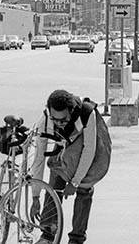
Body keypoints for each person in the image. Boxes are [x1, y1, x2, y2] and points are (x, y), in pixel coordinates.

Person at [30, 89, 111, 244]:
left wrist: (74, 182)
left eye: (63, 120)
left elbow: (89, 150)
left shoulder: (87, 114)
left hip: (89, 154)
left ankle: (76, 238)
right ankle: (48, 233)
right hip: (65, 149)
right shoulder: (46, 120)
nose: (59, 123)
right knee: (54, 185)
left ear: (71, 112)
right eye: (56, 120)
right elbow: (39, 157)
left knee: (84, 190)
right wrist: (35, 196)